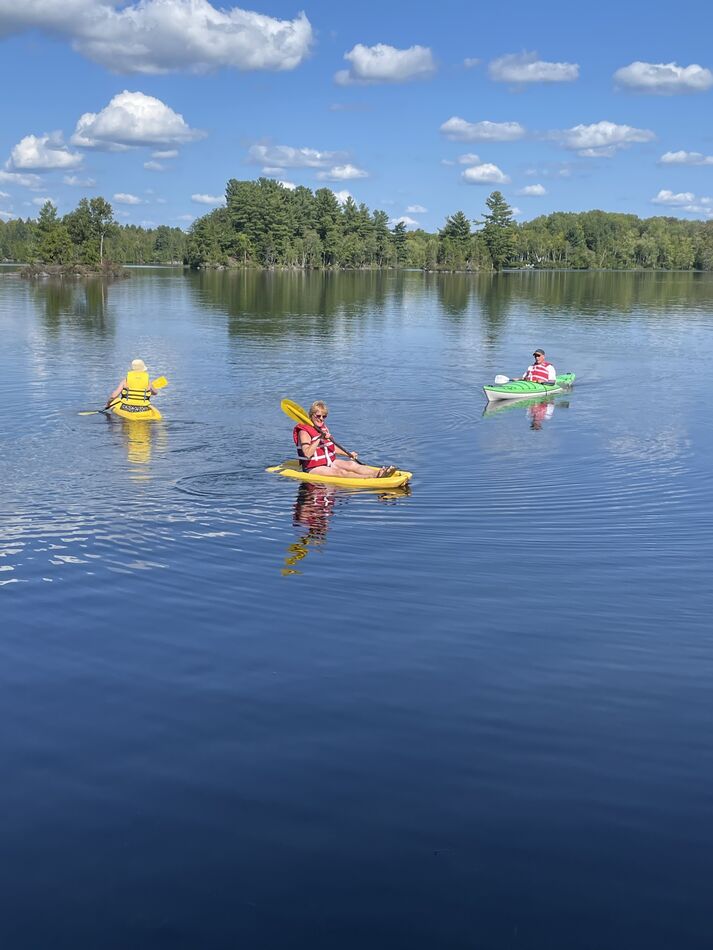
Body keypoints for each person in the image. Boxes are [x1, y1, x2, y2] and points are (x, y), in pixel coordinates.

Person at [293, 401, 396, 479]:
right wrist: (319, 438)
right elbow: (307, 453)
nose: (321, 419)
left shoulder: (322, 427)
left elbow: (331, 447)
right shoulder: (304, 431)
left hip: (329, 462)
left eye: (324, 416)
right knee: (340, 473)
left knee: (351, 464)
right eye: (318, 416)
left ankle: (379, 473)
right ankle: (374, 478)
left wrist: (348, 454)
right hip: (313, 468)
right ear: (311, 415)